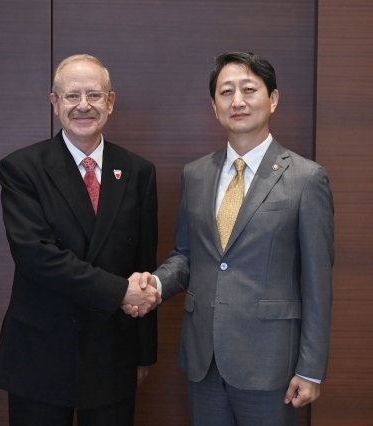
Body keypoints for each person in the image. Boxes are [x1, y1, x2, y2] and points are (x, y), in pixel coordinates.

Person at [125, 51, 334, 425]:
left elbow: (318, 281)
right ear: (214, 105)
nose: (237, 101)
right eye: (226, 92)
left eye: (249, 89)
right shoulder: (196, 175)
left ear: (272, 100)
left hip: (272, 366)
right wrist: (155, 282)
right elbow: (186, 255)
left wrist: (311, 368)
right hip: (203, 361)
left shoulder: (306, 178)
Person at [0, 54, 161, 426]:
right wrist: (119, 291)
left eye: (94, 95)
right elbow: (37, 257)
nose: (83, 105)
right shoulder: (21, 169)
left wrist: (143, 352)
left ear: (110, 102)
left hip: (112, 350)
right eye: (71, 96)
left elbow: (144, 261)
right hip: (41, 352)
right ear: (54, 103)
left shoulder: (138, 171)